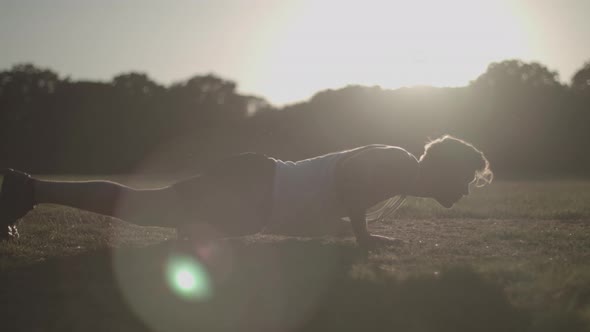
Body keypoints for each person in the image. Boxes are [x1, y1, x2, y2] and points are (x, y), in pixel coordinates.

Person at [0, 135, 492, 250]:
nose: (466, 191)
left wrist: (353, 233)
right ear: (445, 171)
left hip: (256, 199)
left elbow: (327, 208)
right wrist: (360, 232)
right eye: (466, 180)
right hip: (254, 187)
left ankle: (28, 189)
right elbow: (348, 181)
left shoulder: (399, 176)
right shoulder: (397, 163)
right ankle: (26, 187)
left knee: (148, 211)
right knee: (143, 206)